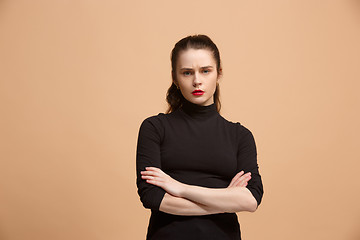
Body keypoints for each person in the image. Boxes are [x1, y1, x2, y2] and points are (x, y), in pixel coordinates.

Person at [136, 34, 264, 240]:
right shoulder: (155, 128)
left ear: (219, 73)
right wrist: (223, 202)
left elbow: (250, 200)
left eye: (205, 71)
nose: (197, 81)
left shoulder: (240, 136)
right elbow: (152, 197)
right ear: (175, 78)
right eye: (187, 73)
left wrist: (179, 188)